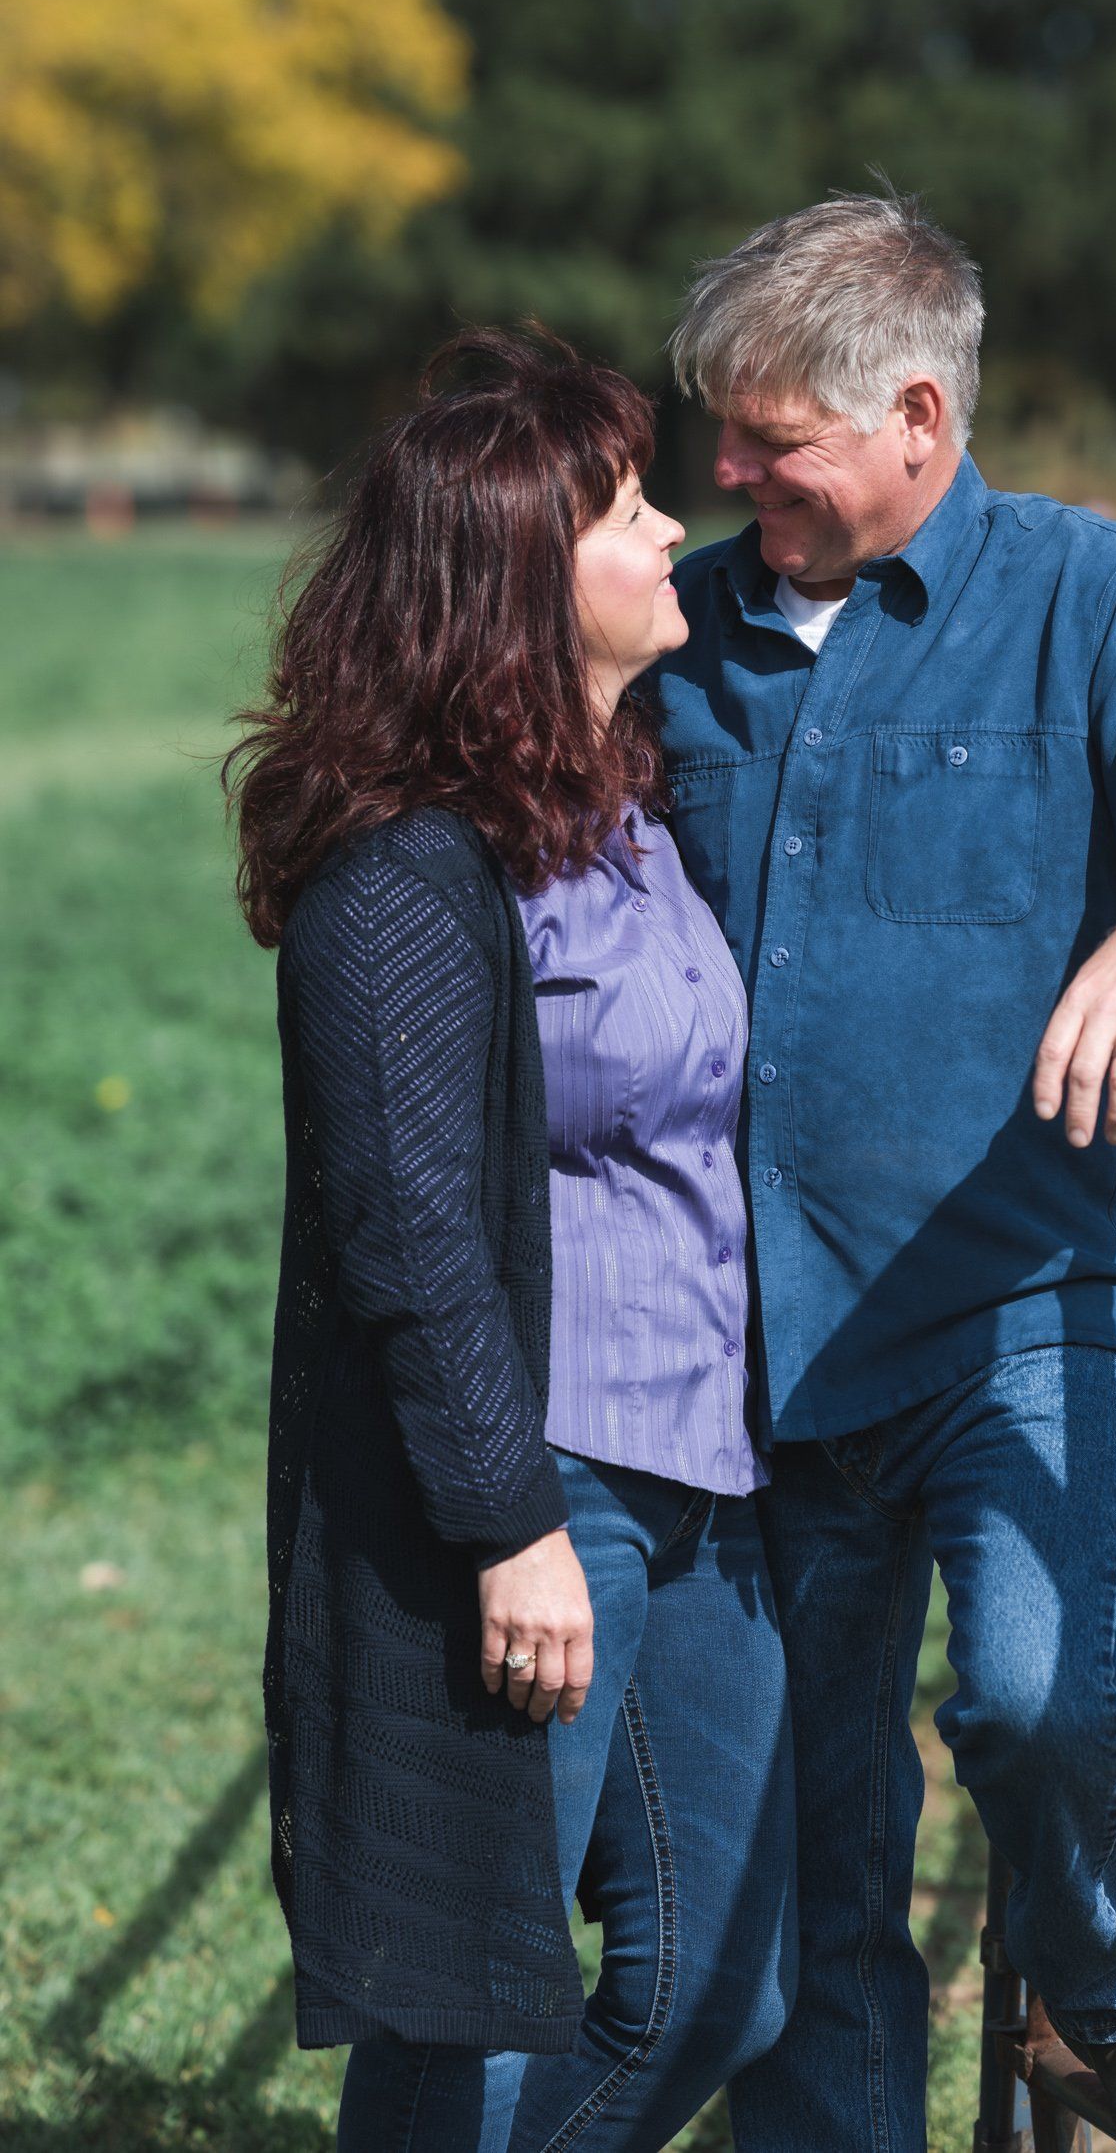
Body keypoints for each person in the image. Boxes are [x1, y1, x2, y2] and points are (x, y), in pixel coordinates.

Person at [654, 194, 1116, 2153]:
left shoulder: (1092, 598)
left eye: (769, 435)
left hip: (1016, 1293)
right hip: (751, 1325)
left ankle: (1109, 1981)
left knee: (1047, 1697)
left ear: (913, 414)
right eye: (720, 428)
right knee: (814, 1852)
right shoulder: (683, 628)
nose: (725, 469)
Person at [226, 329, 795, 2153]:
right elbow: (402, 1237)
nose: (671, 530)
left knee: (721, 1975)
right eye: (628, 511)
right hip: (542, 1483)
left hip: (699, 1465)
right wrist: (511, 1525)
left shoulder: (623, 809)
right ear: (515, 585)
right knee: (466, 1994)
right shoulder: (402, 869)